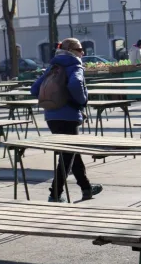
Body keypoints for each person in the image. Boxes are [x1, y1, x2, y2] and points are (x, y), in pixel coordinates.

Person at [30, 38, 102, 203]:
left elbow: (35, 89)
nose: (82, 52)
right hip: (68, 116)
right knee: (67, 156)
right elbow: (76, 84)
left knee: (71, 152)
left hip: (51, 116)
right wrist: (81, 101)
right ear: (72, 50)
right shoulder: (74, 65)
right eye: (80, 49)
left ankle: (86, 188)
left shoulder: (53, 66)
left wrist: (53, 100)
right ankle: (55, 193)